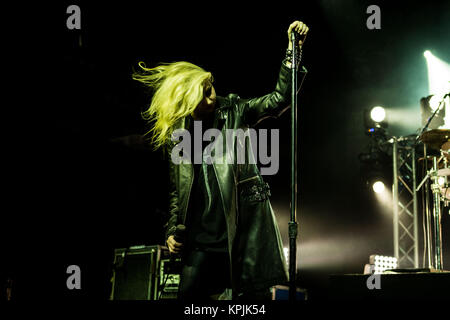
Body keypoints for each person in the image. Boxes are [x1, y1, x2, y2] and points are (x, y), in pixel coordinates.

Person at [133, 20, 309, 300]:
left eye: (211, 86)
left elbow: (279, 99)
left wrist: (293, 53)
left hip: (239, 241)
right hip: (199, 246)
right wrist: (170, 231)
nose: (213, 95)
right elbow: (177, 192)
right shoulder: (178, 134)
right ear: (188, 102)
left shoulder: (235, 112)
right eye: (204, 93)